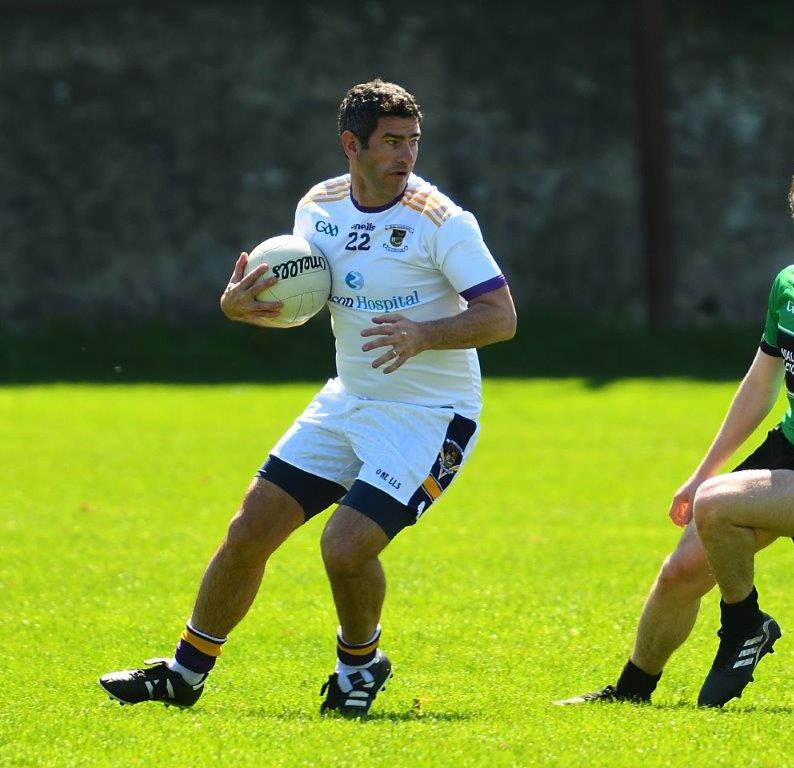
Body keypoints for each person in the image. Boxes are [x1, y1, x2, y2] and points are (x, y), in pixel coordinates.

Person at [99, 80, 517, 718]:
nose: (405, 157)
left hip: (428, 420)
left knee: (345, 548)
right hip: (346, 400)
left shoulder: (443, 222)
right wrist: (237, 306)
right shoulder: (318, 208)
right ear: (352, 145)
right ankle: (184, 674)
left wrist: (423, 335)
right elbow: (299, 292)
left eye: (412, 142)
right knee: (248, 532)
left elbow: (501, 316)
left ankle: (360, 665)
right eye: (390, 143)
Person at [557, 149, 794, 709]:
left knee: (719, 505)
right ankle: (630, 694)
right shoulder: (790, 285)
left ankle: (743, 625)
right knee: (680, 571)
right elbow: (759, 388)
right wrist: (700, 474)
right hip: (791, 451)